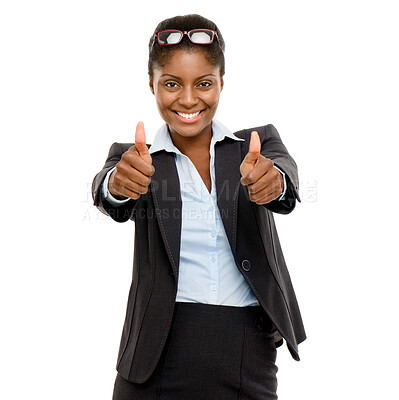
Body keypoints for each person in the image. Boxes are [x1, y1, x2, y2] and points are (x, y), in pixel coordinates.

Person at [92, 13, 306, 400]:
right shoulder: (135, 159)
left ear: (221, 83)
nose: (188, 99)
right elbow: (107, 191)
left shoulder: (256, 146)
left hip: (246, 355)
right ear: (152, 85)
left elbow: (285, 183)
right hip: (156, 355)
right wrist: (117, 184)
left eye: (203, 83)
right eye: (172, 83)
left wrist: (273, 184)